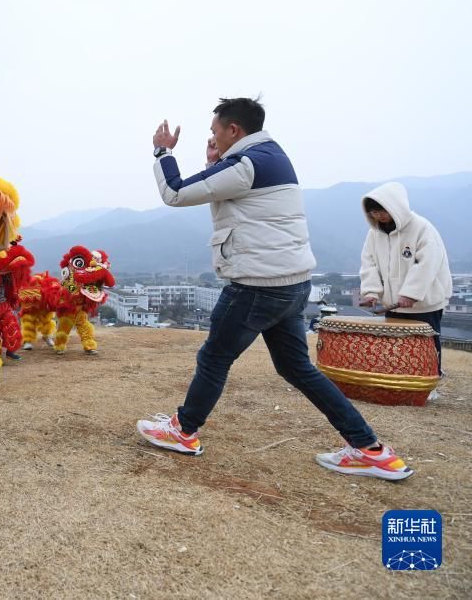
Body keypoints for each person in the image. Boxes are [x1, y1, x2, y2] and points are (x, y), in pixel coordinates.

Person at [135, 98, 413, 480]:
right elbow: (230, 193)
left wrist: (163, 151)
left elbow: (176, 193)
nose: (212, 138)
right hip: (293, 284)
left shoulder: (246, 164)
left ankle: (183, 430)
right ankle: (371, 449)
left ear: (235, 130)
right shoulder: (270, 156)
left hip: (257, 287)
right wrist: (215, 163)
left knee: (215, 358)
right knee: (297, 368)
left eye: (216, 132)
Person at [358, 183, 451, 375]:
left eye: (381, 210)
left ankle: (431, 379)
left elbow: (427, 264)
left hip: (425, 303)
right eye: (373, 212)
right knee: (396, 345)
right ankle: (401, 380)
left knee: (426, 344)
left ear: (395, 206)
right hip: (394, 304)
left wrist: (411, 293)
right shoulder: (374, 234)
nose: (378, 216)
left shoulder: (422, 228)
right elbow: (369, 264)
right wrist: (371, 292)